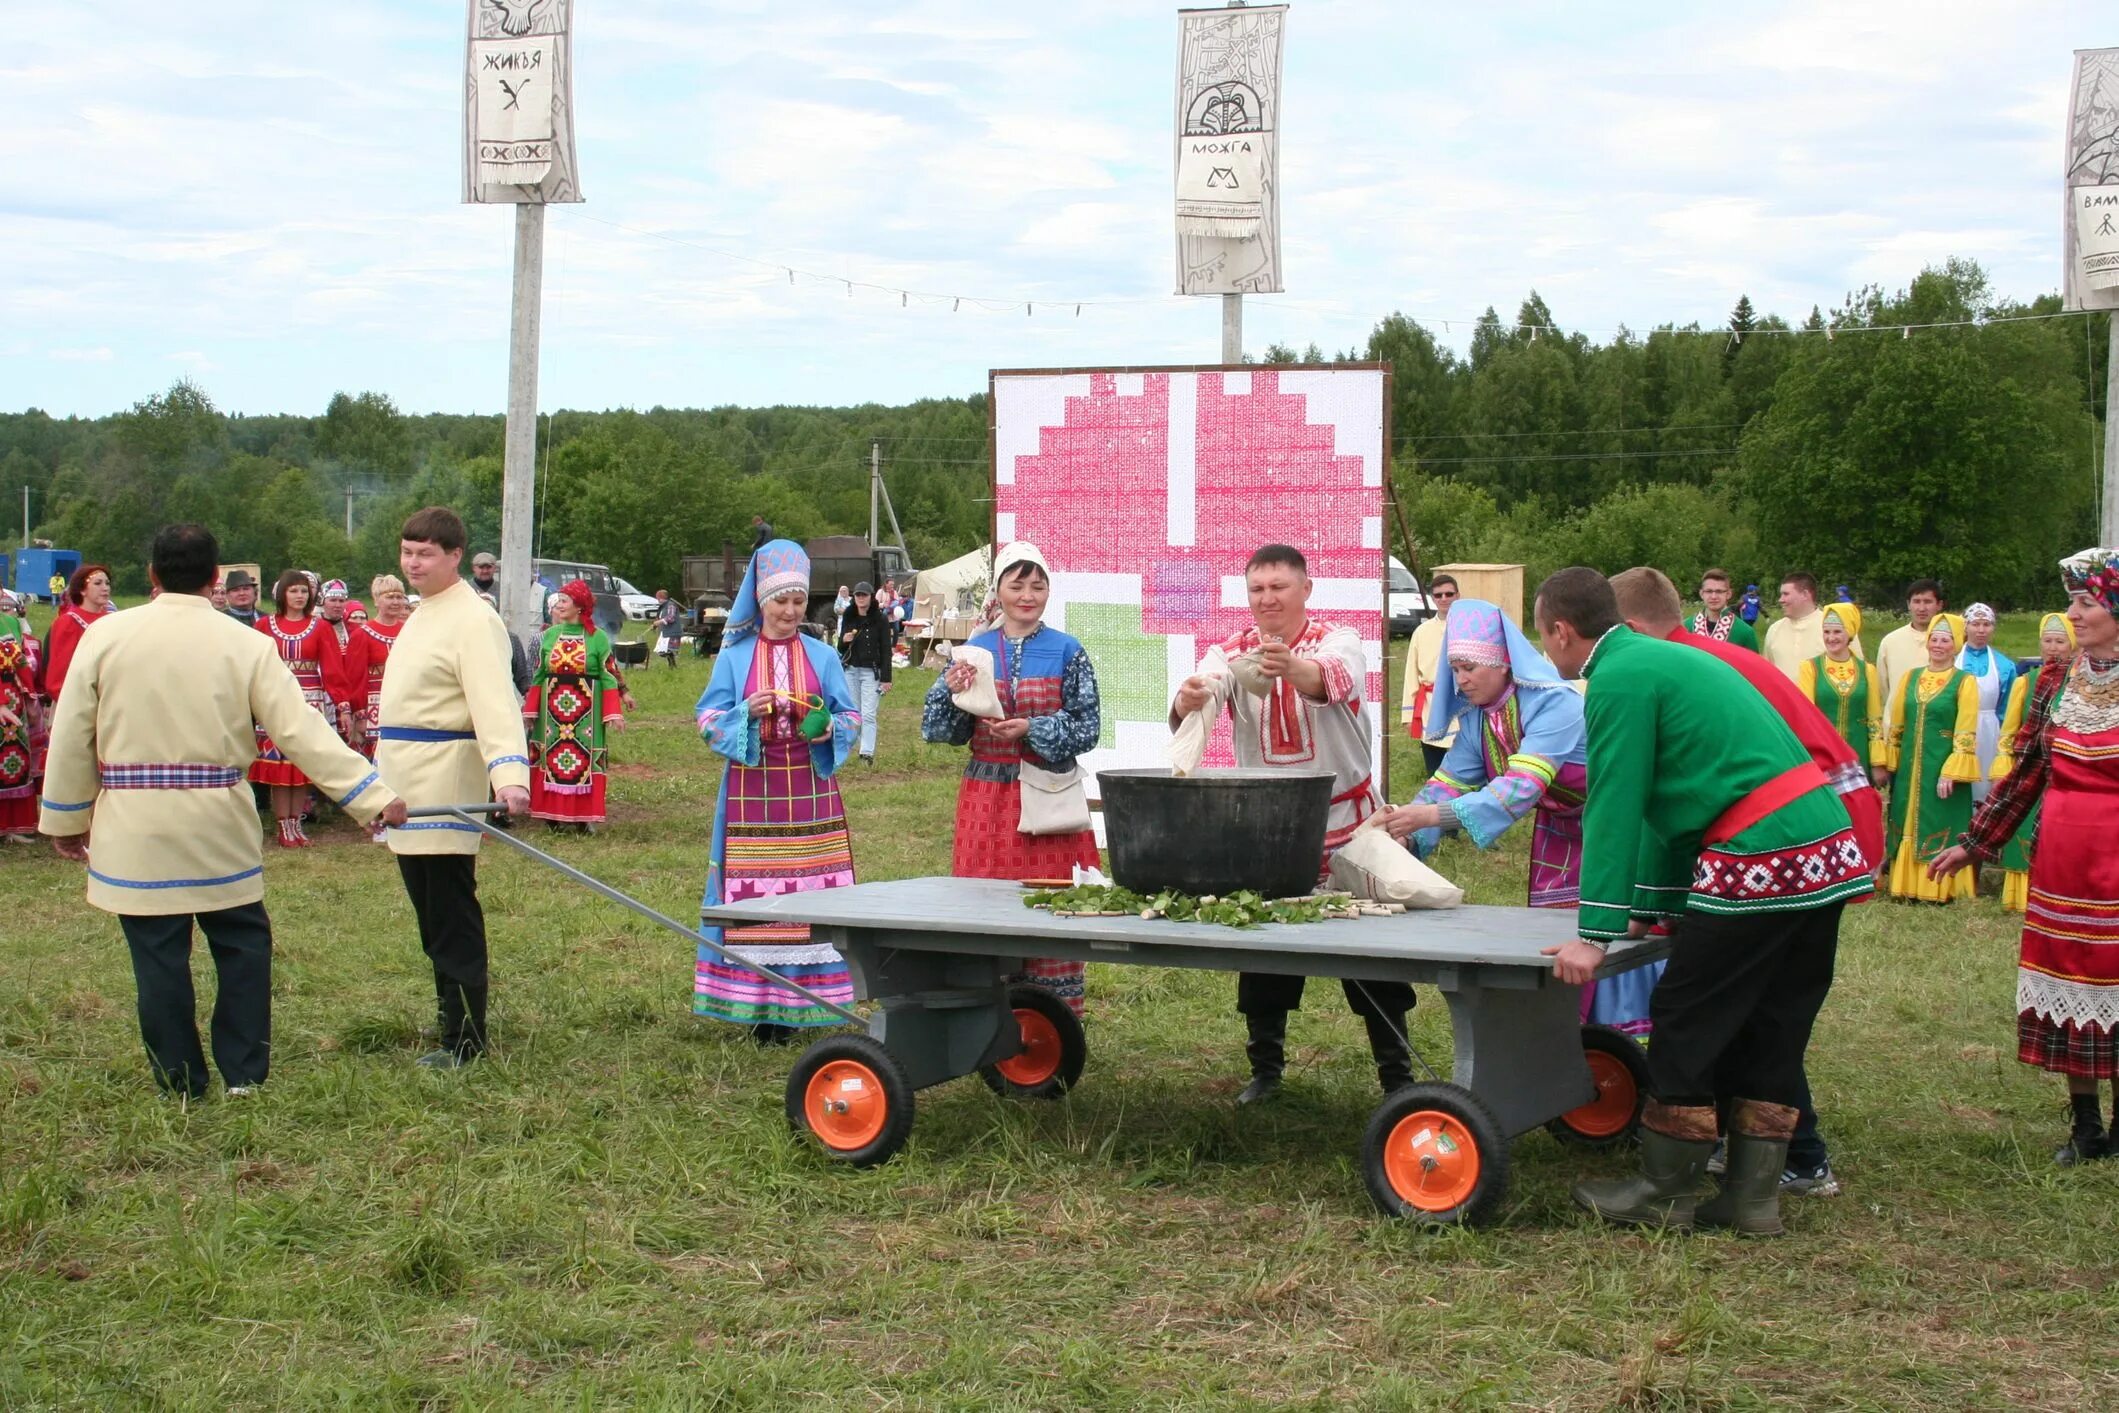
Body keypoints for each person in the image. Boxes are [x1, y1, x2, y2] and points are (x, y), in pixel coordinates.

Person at [1536, 567, 1871, 1236]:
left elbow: (1616, 803)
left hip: (1759, 851)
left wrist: (1594, 932)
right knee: (1770, 1023)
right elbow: (1673, 807)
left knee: (1686, 1013)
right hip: (1825, 846)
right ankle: (1751, 1198)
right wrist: (1646, 907)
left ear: (1561, 631)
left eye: (1543, 637)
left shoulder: (1617, 678)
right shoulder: (1666, 657)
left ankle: (1664, 1190)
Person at [38, 524, 404, 1099]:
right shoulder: (247, 642)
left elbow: (71, 734)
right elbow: (299, 729)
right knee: (241, 948)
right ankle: (243, 1076)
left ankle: (179, 1081)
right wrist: (372, 795)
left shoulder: (106, 636)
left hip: (135, 825)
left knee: (157, 958)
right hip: (217, 821)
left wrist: (64, 818)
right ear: (215, 580)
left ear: (152, 575)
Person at [1171, 544, 1417, 1105]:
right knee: (1266, 952)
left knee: (1372, 957)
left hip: (1349, 825)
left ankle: (1397, 1078)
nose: (1267, 598)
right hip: (1272, 832)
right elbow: (1205, 688)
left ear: (1305, 589)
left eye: (1279, 587)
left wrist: (1291, 666)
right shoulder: (1232, 650)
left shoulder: (1339, 640)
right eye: (1257, 589)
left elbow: (1332, 678)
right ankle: (1266, 1071)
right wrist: (1189, 698)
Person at [1373, 599, 1659, 1030]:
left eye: (1471, 666)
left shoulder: (1555, 704)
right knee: (1556, 941)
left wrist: (1429, 817)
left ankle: (1623, 1044)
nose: (1461, 679)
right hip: (1560, 836)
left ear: (1504, 663)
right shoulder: (1478, 719)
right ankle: (1566, 1040)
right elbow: (1446, 784)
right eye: (1455, 668)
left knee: (1613, 936)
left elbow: (1521, 788)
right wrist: (1405, 833)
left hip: (1615, 832)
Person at [1932, 548, 2119, 1166]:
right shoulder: (2056, 680)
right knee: (2067, 977)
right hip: (2062, 859)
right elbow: (2026, 774)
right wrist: (1976, 843)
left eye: (2085, 603)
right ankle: (2086, 1125)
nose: (2073, 615)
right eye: (2073, 603)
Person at [378, 507, 532, 1070]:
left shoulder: (472, 617)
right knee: (430, 914)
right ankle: (452, 1015)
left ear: (454, 557)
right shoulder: (425, 613)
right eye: (406, 552)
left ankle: (465, 1037)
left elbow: (495, 702)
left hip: (445, 782)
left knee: (449, 917)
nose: (412, 564)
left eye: (424, 554)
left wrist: (510, 775)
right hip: (407, 782)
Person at [922, 543, 1100, 1018]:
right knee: (987, 910)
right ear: (997, 590)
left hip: (1047, 798)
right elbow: (940, 731)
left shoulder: (1068, 650)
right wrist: (949, 691)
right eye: (1016, 584)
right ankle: (988, 1022)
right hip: (989, 800)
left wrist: (1034, 728)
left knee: (1049, 909)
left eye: (1037, 584)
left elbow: (1088, 728)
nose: (1027, 595)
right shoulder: (974, 651)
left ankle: (1055, 1027)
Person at [694, 539, 861, 1042]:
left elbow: (849, 714)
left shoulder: (823, 654)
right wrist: (747, 713)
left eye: (798, 601)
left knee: (812, 893)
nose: (789, 611)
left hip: (810, 789)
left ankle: (813, 997)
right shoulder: (735, 656)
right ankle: (762, 1007)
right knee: (757, 896)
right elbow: (707, 719)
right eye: (780, 601)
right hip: (753, 789)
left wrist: (832, 727)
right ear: (761, 600)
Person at [1883, 614, 1981, 903]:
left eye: (1946, 640)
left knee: (1939, 818)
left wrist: (1951, 770)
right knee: (1905, 815)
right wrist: (1892, 762)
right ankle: (1904, 883)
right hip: (1910, 768)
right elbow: (1898, 725)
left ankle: (1940, 887)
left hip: (1941, 766)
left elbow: (1966, 729)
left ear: (1957, 644)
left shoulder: (1965, 682)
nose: (1938, 645)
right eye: (1935, 639)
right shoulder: (1910, 677)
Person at [247, 570, 347, 848]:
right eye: (294, 591)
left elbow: (332, 669)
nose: (299, 596)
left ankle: (296, 823)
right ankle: (283, 825)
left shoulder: (320, 627)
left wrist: (343, 704)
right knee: (280, 768)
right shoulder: (265, 626)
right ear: (282, 594)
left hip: (309, 700)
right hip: (277, 699)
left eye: (304, 591)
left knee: (300, 763)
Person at [1988, 613, 2077, 911]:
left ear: (2072, 645)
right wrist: (2005, 764)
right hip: (2030, 767)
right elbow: (2009, 731)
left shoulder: (2079, 682)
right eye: (2047, 641)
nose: (2053, 648)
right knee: (2024, 825)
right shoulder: (2025, 683)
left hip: (2063, 770)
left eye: (2060, 641)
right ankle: (2017, 893)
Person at [524, 581, 624, 831]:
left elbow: (608, 674)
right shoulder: (548, 636)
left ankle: (582, 817)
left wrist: (613, 712)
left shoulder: (597, 638)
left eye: (564, 601)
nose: (558, 605)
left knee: (583, 761)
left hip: (586, 713)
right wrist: (530, 710)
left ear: (579, 607)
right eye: (558, 601)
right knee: (551, 759)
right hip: (551, 712)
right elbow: (538, 675)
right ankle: (552, 815)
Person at [1795, 601, 1887, 775]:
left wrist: (1877, 762)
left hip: (1858, 750)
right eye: (1826, 632)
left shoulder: (1867, 670)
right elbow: (1807, 715)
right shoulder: (1810, 668)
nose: (1831, 638)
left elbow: (1874, 718)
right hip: (1824, 753)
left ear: (1850, 633)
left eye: (1837, 632)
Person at [1397, 574, 1460, 773]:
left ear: (1457, 595)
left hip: (1462, 707)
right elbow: (1411, 674)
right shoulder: (1421, 632)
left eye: (1449, 594)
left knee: (1463, 772)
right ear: (1433, 598)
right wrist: (1408, 715)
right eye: (1438, 595)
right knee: (1435, 772)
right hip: (1430, 708)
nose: (1444, 599)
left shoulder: (1468, 627)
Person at [1957, 603, 2017, 804]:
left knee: (1985, 779)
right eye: (1975, 624)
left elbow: (2008, 707)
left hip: (1990, 729)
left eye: (1986, 624)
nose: (1981, 630)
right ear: (1965, 627)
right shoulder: (1952, 658)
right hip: (1956, 726)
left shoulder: (2004, 665)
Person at [42, 563, 116, 707]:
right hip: (75, 703)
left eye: (107, 583)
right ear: (82, 590)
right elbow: (58, 673)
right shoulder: (68, 622)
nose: (105, 588)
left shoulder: (111, 619)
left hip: (108, 701)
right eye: (98, 583)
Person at [1875, 579, 1944, 725]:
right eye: (1916, 601)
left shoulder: (1949, 643)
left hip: (1935, 725)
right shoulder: (1890, 641)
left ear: (1939, 605)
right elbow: (1882, 688)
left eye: (1927, 601)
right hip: (1896, 724)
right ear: (1908, 605)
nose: (1921, 608)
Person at [1762, 572, 1855, 680]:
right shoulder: (1774, 629)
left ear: (1805, 595)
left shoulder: (1835, 627)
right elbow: (1767, 672)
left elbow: (1857, 671)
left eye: (1786, 594)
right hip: (1782, 697)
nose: (1780, 599)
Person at [839, 582, 893, 766]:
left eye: (864, 595)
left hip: (872, 671)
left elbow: (886, 649)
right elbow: (840, 646)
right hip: (851, 670)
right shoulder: (849, 615)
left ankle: (866, 753)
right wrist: (844, 640)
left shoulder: (880, 619)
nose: (861, 598)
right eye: (858, 595)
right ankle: (850, 747)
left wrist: (886, 678)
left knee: (869, 714)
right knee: (854, 713)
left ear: (871, 597)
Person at [0, 590, 39, 841]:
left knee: (13, 761)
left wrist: (30, 695)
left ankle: (12, 825)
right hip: (3, 700)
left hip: (14, 702)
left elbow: (21, 662)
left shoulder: (11, 621)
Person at [1688, 568, 1759, 651]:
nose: (1713, 596)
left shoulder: (1745, 632)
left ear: (1729, 594)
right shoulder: (1686, 627)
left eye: (1719, 591)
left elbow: (1752, 663)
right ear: (1701, 594)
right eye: (1709, 591)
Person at [653, 589, 683, 667]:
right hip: (666, 631)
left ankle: (672, 666)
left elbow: (671, 617)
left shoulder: (671, 605)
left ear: (661, 598)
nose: (657, 600)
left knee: (669, 650)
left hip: (672, 631)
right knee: (663, 651)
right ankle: (672, 665)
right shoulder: (663, 607)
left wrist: (659, 622)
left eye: (658, 598)